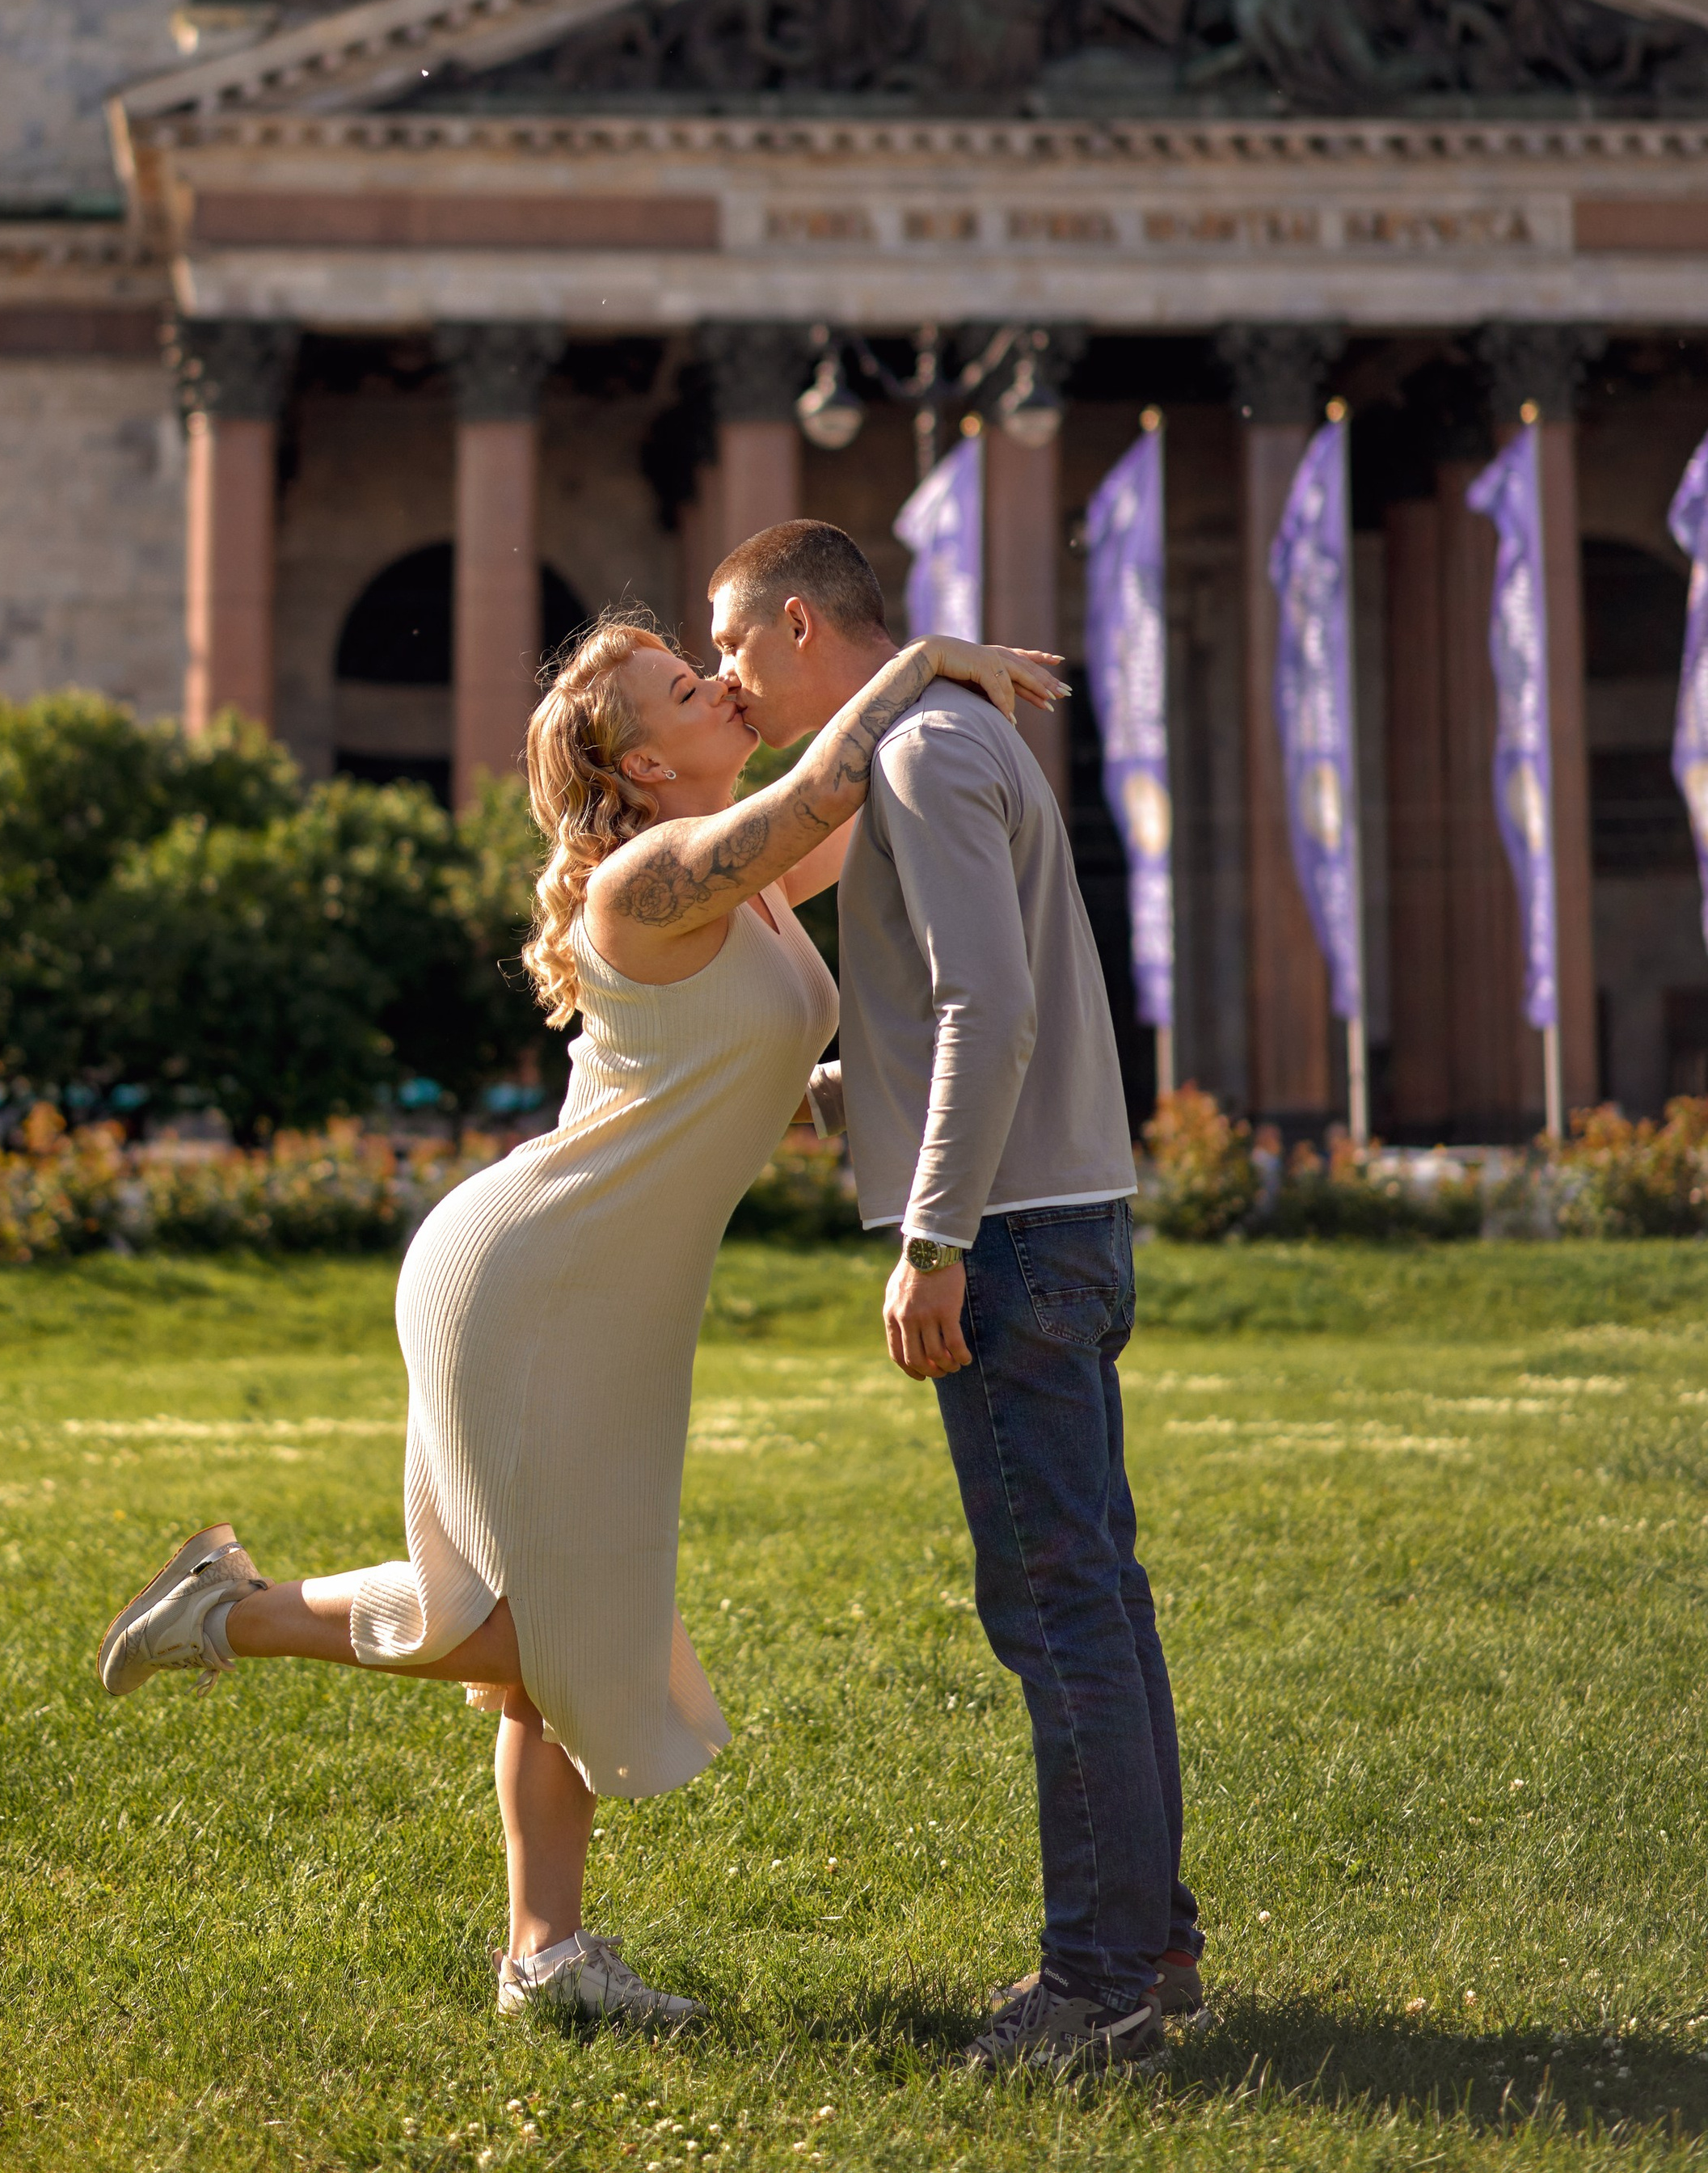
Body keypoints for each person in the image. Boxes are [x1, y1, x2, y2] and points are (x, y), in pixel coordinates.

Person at [95, 615, 1062, 2032]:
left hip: (600, 1305)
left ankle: (543, 1957)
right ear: (636, 760)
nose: (718, 684)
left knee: (522, 1644)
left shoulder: (758, 886)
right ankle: (228, 1617)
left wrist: (916, 1103)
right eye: (686, 686)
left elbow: (763, 1027)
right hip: (528, 1288)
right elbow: (823, 785)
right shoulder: (651, 878)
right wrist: (916, 661)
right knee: (547, 1634)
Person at [711, 519, 1201, 2078]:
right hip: (1068, 1215)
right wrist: (851, 1095)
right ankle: (1155, 1949)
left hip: (1009, 1240)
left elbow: (992, 1001)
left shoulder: (917, 755)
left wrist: (929, 1241)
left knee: (1059, 1615)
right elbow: (973, 1014)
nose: (728, 679)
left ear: (801, 624)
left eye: (732, 646)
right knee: (1101, 1602)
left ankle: (1095, 1993)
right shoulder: (953, 732)